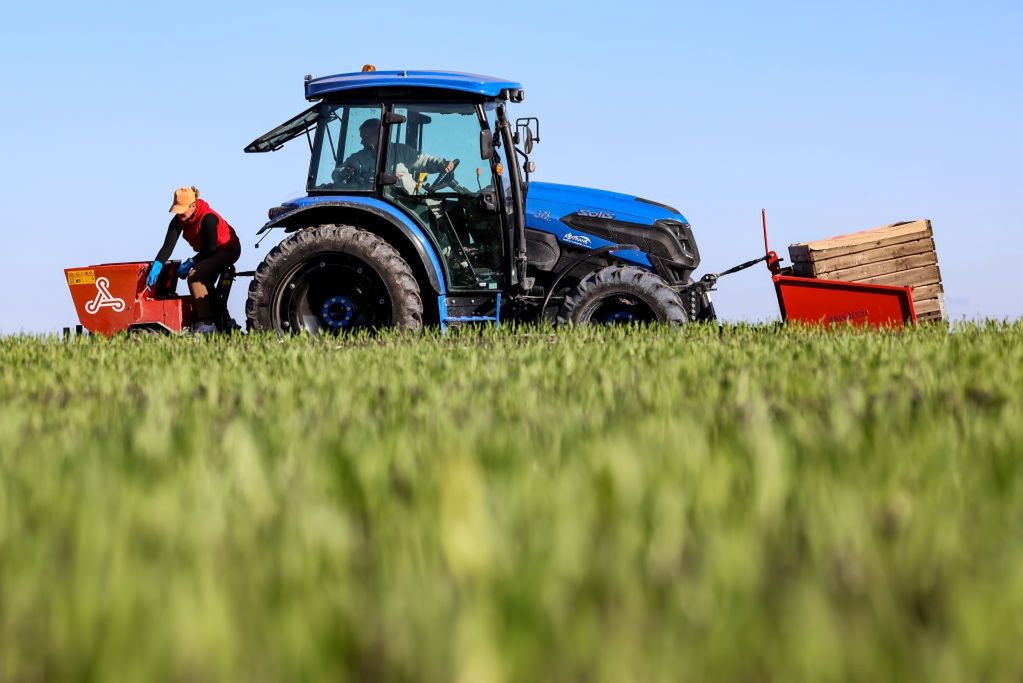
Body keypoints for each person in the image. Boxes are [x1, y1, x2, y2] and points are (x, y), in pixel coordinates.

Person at [146, 187, 241, 333]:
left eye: (182, 210)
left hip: (227, 250)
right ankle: (223, 321)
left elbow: (211, 248)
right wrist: (157, 264)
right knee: (206, 282)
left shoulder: (208, 218)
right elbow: (167, 246)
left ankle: (206, 325)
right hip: (210, 251)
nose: (179, 214)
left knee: (195, 277)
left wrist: (191, 262)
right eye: (177, 210)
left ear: (193, 205)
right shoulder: (179, 219)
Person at [332, 118, 455, 192]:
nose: (362, 141)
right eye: (362, 137)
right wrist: (348, 173)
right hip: (386, 203)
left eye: (366, 137)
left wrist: (442, 164)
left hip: (406, 197)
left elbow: (423, 161)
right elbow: (337, 174)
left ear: (380, 135)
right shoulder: (358, 158)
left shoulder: (401, 151)